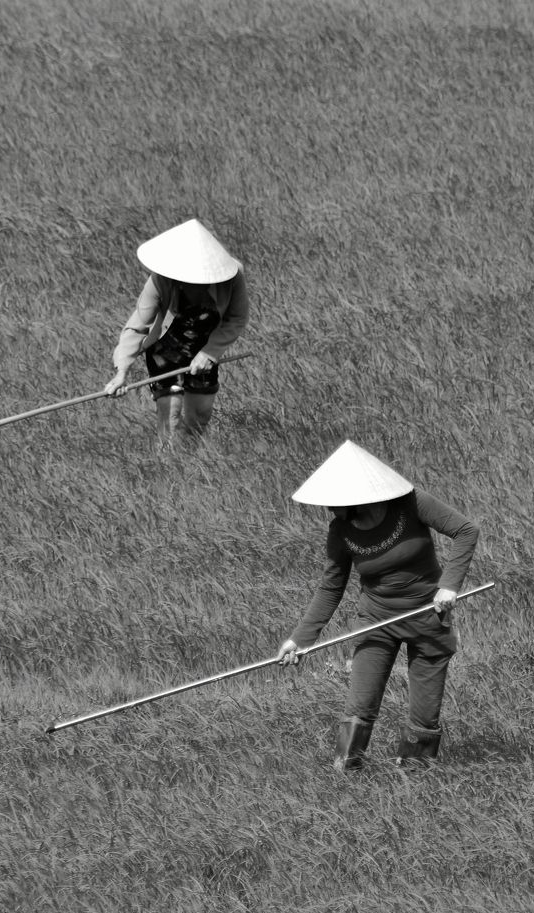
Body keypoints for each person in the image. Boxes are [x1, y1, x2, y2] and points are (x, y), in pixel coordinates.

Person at [277, 440, 480, 772]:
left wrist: (449, 586)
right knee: (360, 706)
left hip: (428, 617)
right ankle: (346, 774)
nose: (329, 509)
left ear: (358, 498)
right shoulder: (340, 531)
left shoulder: (411, 505)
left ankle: (415, 780)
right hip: (376, 621)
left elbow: (465, 530)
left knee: (424, 715)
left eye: (334, 502)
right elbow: (330, 588)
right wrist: (299, 640)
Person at [103, 219, 249, 444]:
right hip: (166, 349)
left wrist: (209, 353)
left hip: (204, 349)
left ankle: (185, 466)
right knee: (170, 418)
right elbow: (138, 325)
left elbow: (236, 318)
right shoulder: (160, 279)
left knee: (200, 416)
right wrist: (122, 371)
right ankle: (166, 467)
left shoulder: (233, 275)